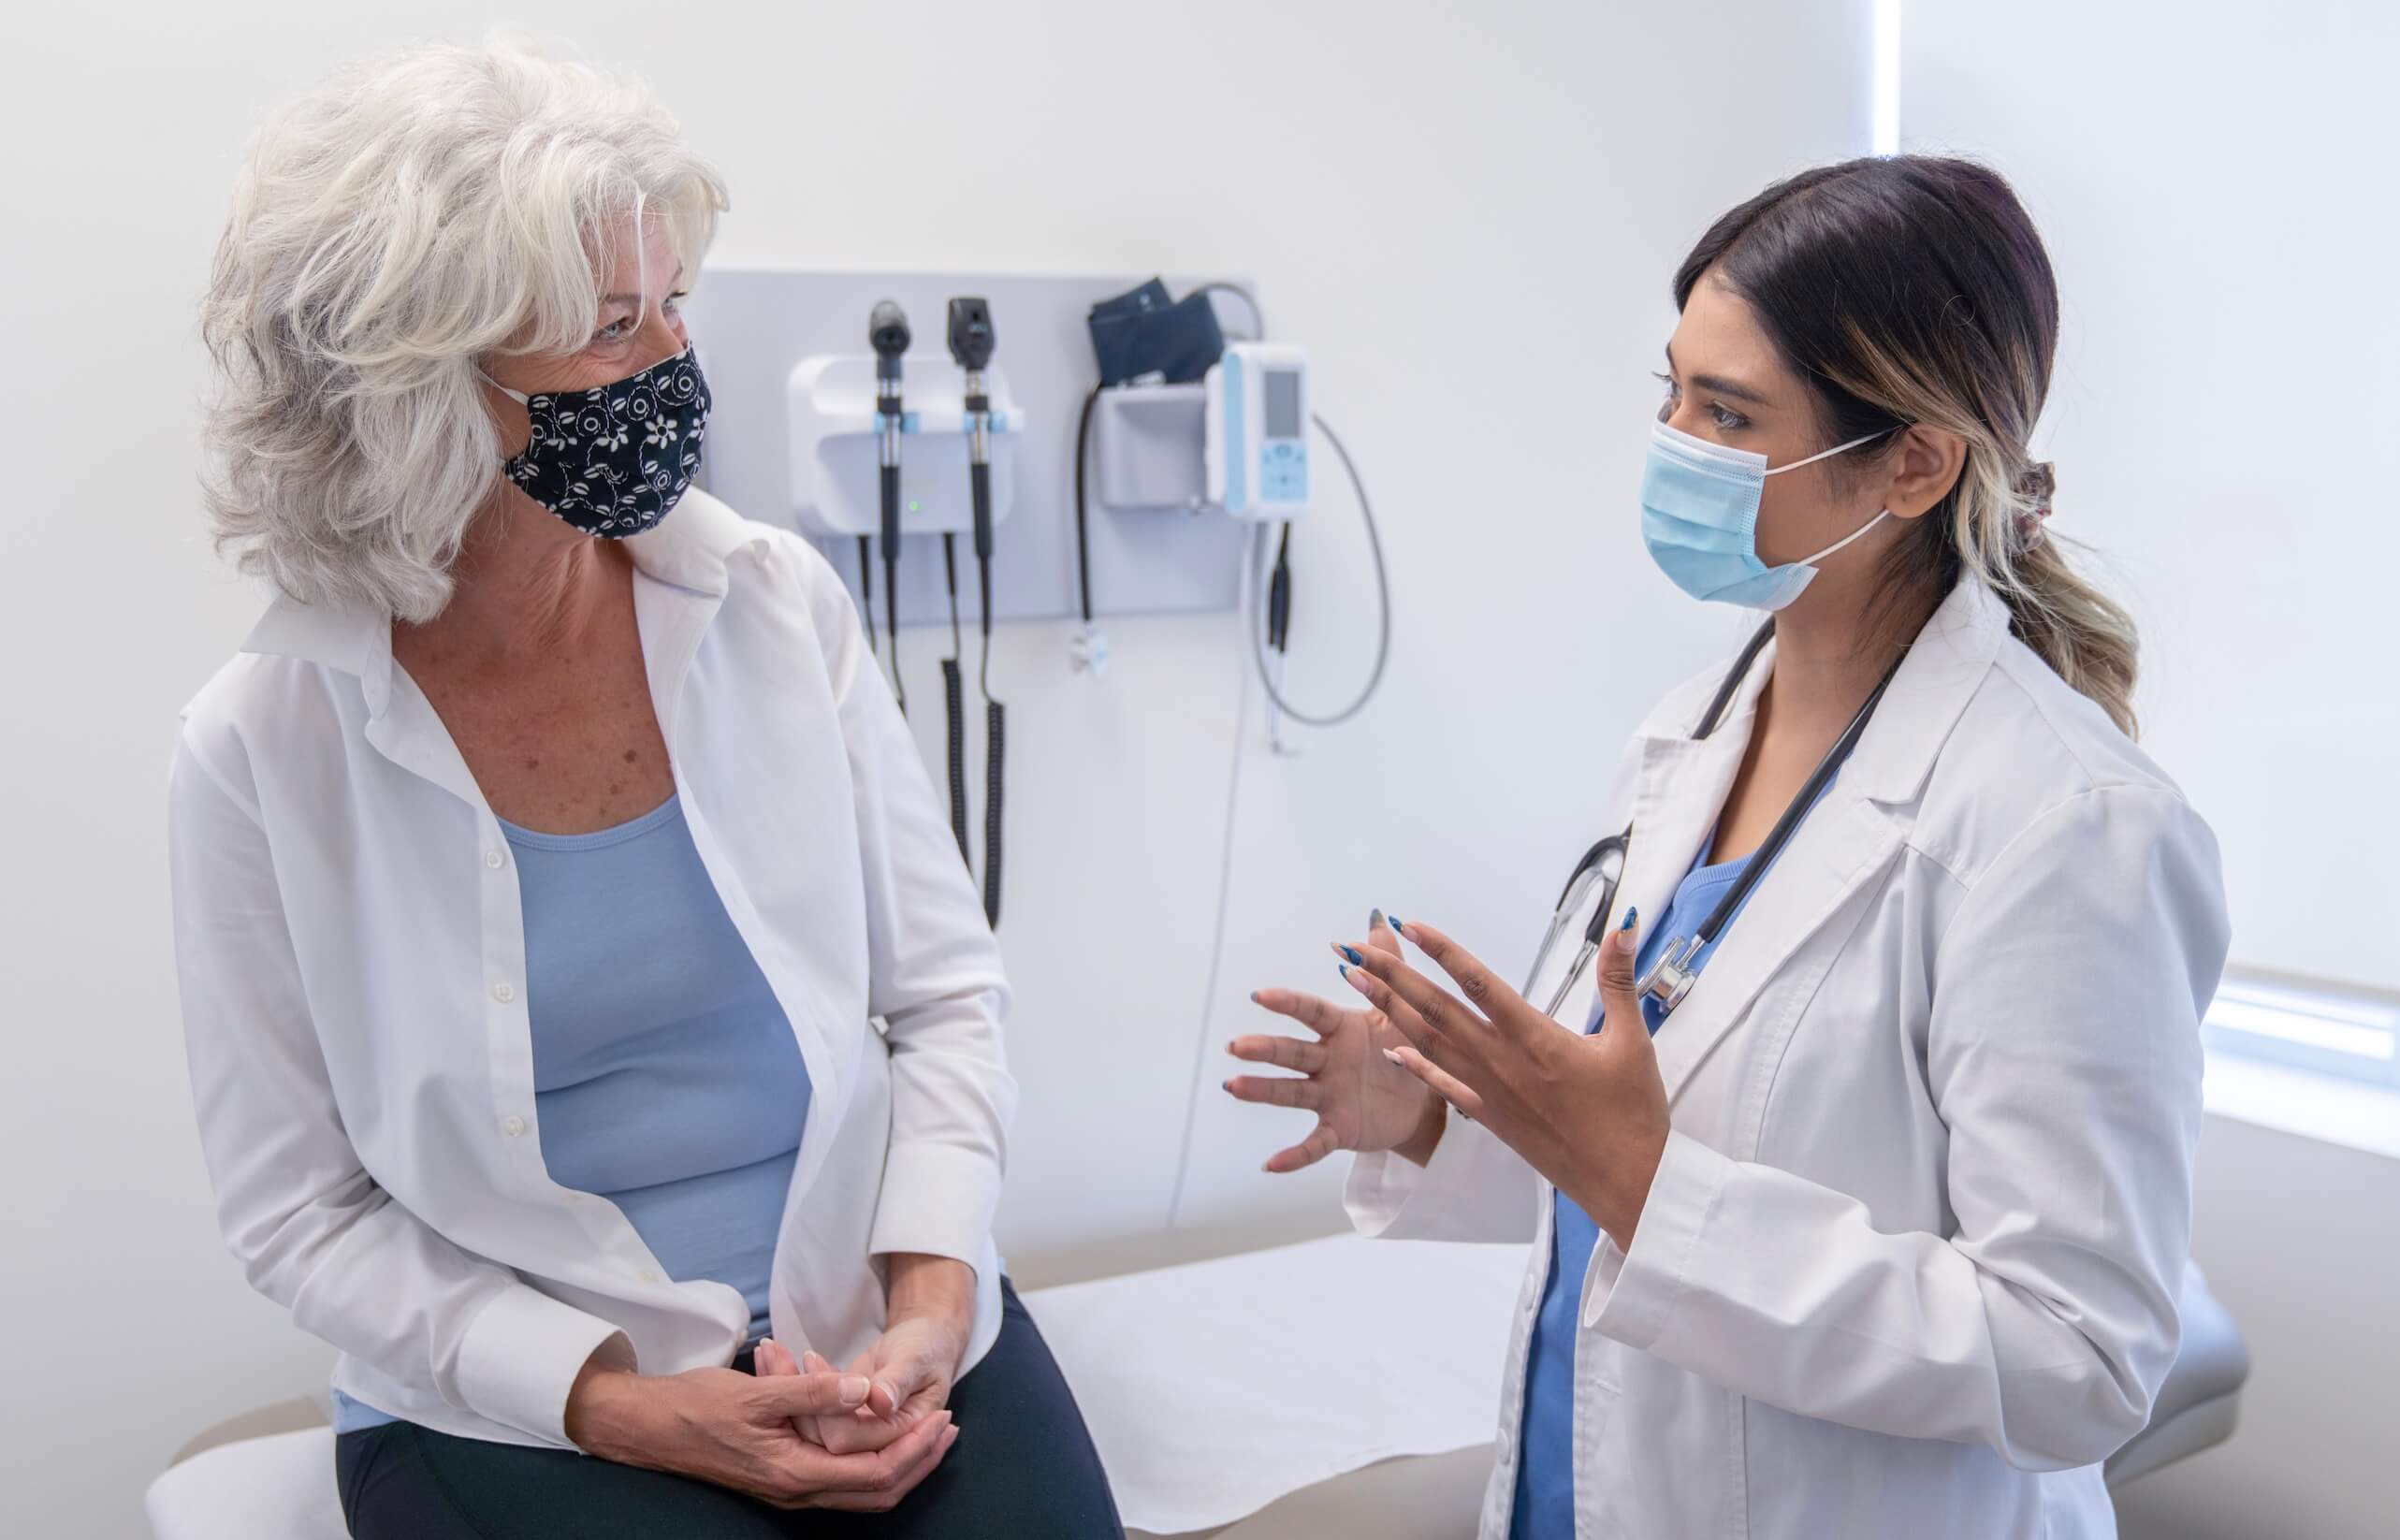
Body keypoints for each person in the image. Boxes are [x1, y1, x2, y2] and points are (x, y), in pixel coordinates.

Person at [174, 37, 1122, 1539]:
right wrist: (614, 1400)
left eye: (674, 302)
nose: (673, 364)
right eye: (613, 327)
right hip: (528, 1387)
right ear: (421, 385)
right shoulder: (267, 746)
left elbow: (944, 1000)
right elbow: (298, 1213)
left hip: (863, 1310)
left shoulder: (772, 607)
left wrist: (931, 1307)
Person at [1224, 155, 2228, 1540]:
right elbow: (1623, 1145)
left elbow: (2079, 1354)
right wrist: (1431, 1114)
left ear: (1913, 462)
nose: (1674, 443)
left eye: (1729, 411)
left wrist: (1647, 1180)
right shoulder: (1685, 741)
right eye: (1673, 392)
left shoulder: (2061, 822)